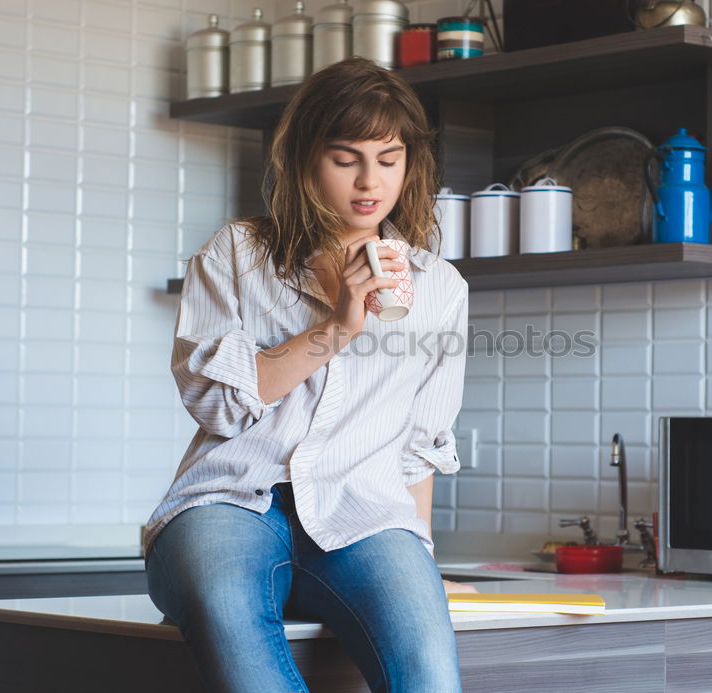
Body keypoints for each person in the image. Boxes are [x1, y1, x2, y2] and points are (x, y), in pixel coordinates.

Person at [142, 56, 478, 693]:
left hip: (366, 512)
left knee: (428, 671)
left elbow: (419, 445)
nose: (368, 182)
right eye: (345, 157)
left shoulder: (439, 288)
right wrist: (339, 327)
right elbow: (217, 406)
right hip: (231, 499)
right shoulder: (238, 254)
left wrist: (421, 562)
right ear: (304, 160)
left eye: (388, 157)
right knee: (227, 614)